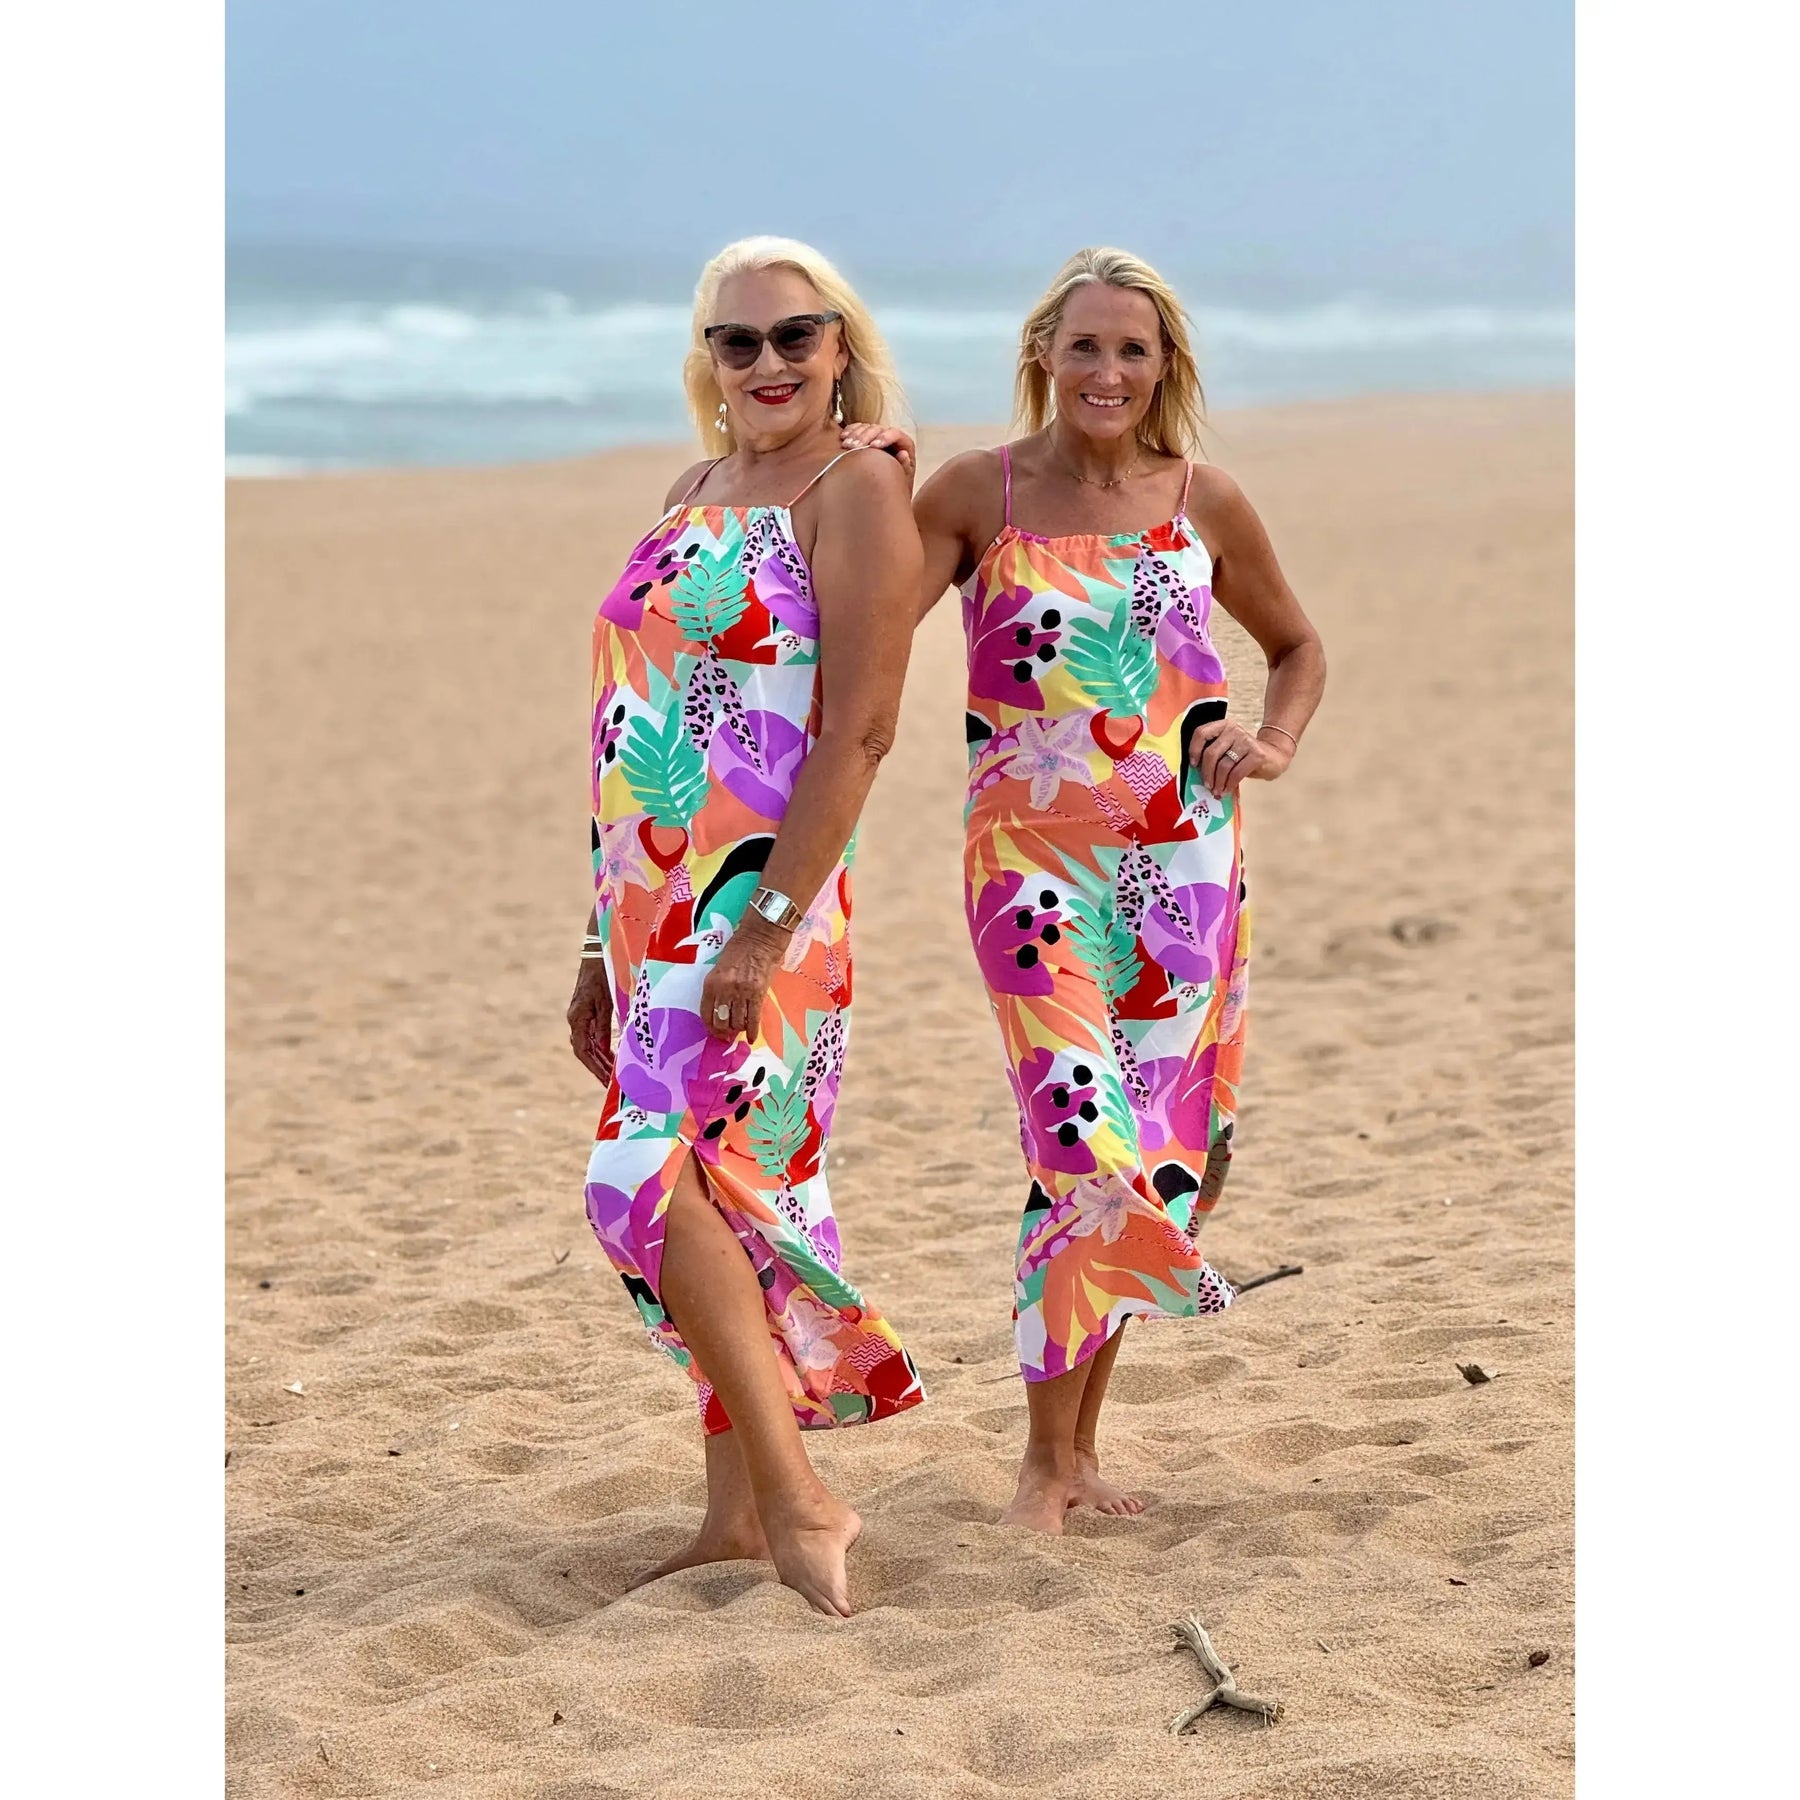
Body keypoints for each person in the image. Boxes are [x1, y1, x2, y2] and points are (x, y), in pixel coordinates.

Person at [844, 247, 1325, 1532]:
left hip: (1185, 868)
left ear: (1164, 367)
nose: (1108, 370)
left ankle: (1076, 1456)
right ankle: (1041, 1463)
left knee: (1152, 1157)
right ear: (1043, 358)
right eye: (1086, 346)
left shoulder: (1204, 499)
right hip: (1030, 871)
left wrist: (1271, 741)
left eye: (1133, 349)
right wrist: (869, 477)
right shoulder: (980, 491)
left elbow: (1297, 645)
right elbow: (869, 611)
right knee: (1079, 1139)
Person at [567, 237, 925, 1614]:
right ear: (706, 358)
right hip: (646, 901)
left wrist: (766, 928)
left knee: (640, 1184)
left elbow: (862, 731)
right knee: (720, 1189)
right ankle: (731, 1515)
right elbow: (636, 719)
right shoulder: (690, 493)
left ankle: (798, 1494)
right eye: (739, 340)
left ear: (840, 347)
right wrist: (591, 941)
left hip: (762, 903)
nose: (767, 362)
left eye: (796, 335)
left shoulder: (857, 489)